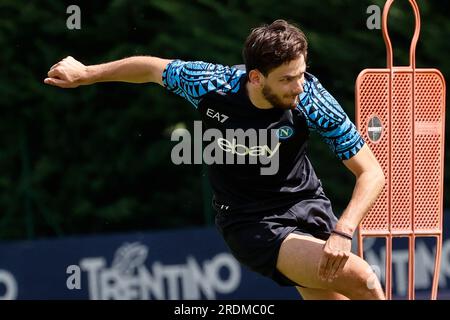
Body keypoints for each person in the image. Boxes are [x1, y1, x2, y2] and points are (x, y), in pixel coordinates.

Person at [44, 19, 386, 300]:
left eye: (301, 74)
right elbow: (150, 69)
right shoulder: (210, 84)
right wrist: (88, 74)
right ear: (255, 78)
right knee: (362, 278)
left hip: (310, 205)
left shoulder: (312, 99)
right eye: (286, 79)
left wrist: (343, 230)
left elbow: (371, 172)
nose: (298, 87)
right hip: (251, 222)